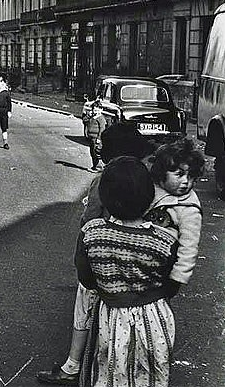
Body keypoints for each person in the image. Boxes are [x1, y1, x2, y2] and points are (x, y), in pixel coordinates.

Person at [36, 122, 153, 386]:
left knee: (85, 313)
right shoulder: (145, 176)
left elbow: (88, 221)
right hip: (134, 271)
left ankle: (73, 365)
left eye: (103, 141)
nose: (98, 143)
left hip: (101, 263)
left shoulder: (105, 179)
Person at [75, 156, 178, 387]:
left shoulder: (92, 233)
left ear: (105, 198)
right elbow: (173, 283)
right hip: (154, 318)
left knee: (110, 370)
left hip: (110, 317)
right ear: (150, 197)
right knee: (150, 374)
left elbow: (86, 278)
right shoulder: (164, 241)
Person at [144, 138, 204, 292]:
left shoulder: (189, 209)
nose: (186, 182)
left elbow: (189, 246)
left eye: (190, 176)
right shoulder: (150, 190)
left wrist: (177, 278)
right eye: (179, 174)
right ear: (161, 172)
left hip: (163, 270)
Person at [82, 102, 107, 172]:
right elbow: (84, 121)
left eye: (97, 110)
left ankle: (99, 167)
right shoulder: (92, 117)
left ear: (101, 110)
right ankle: (94, 166)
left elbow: (102, 129)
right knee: (92, 152)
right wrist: (88, 116)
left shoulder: (101, 118)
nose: (95, 112)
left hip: (96, 138)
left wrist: (99, 138)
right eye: (94, 110)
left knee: (96, 152)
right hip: (91, 137)